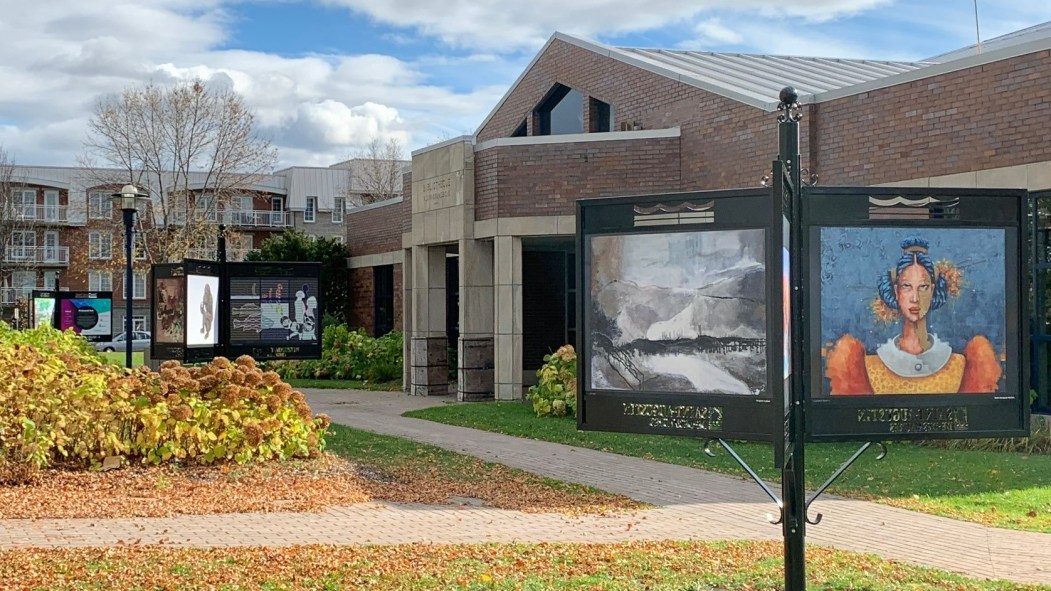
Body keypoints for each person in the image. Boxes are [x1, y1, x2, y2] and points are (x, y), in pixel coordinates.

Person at [825, 237, 1001, 394]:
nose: (915, 298)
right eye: (907, 286)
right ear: (896, 291)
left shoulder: (957, 365)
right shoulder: (873, 366)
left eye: (923, 287)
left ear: (932, 290)